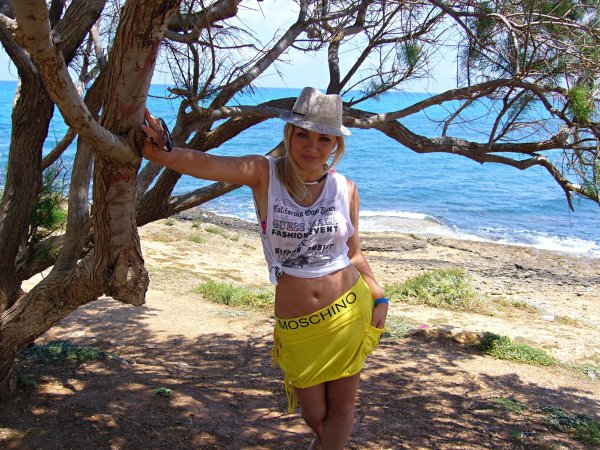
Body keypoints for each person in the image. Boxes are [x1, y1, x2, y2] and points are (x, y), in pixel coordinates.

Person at [141, 87, 389, 450]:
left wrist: (379, 297)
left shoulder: (345, 188)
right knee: (314, 414)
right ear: (289, 134)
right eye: (303, 135)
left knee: (342, 406)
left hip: (348, 312)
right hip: (298, 323)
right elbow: (207, 163)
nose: (312, 146)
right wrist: (164, 151)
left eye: (324, 139)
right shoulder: (264, 173)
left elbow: (353, 252)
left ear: (335, 144)